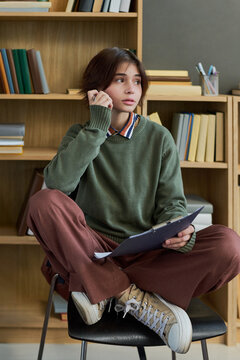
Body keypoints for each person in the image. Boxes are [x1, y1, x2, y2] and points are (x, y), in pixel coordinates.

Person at [27, 47, 240, 354]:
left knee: (229, 243)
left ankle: (100, 292)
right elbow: (58, 185)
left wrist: (180, 231)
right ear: (97, 89)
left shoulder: (159, 137)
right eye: (120, 80)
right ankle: (131, 297)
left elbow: (172, 204)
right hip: (92, 253)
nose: (131, 89)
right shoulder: (80, 135)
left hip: (146, 258)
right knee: (42, 203)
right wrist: (97, 128)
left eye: (137, 81)